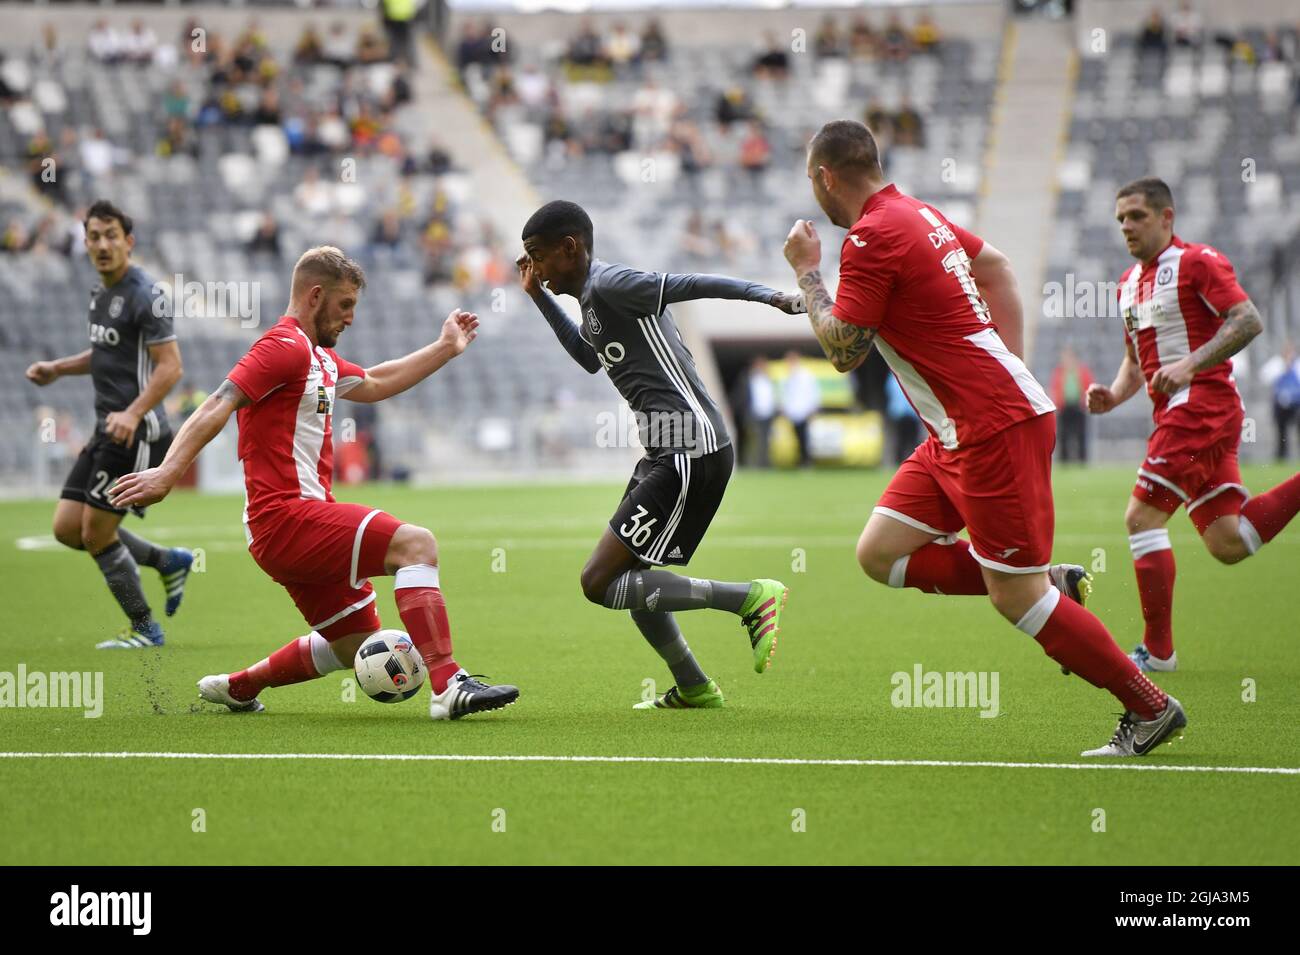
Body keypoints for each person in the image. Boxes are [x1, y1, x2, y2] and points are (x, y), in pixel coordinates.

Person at [783, 120, 1182, 757]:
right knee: (880, 553)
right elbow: (995, 268)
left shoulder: (869, 236)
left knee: (1015, 599)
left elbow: (842, 351)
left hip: (990, 430)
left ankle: (1149, 706)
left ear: (826, 177)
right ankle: (1050, 577)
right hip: (959, 432)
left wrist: (808, 273)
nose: (815, 194)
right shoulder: (919, 213)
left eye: (812, 181)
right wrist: (1011, 365)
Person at [108, 247, 519, 720]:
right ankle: (449, 686)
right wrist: (168, 472)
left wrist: (445, 347)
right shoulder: (283, 347)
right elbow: (219, 401)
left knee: (353, 647)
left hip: (283, 529)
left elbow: (377, 381)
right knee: (417, 546)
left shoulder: (317, 358)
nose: (350, 318)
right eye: (345, 305)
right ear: (315, 295)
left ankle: (240, 686)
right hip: (287, 517)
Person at [517, 201, 802, 709]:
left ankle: (749, 598)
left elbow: (691, 283)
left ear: (570, 248)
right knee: (629, 578)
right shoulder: (590, 298)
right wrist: (539, 296)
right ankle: (693, 685)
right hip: (666, 449)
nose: (534, 267)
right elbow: (588, 358)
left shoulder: (612, 284)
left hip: (690, 447)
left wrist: (771, 296)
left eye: (538, 257)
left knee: (598, 582)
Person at [1087, 177, 1300, 671]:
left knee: (1141, 518)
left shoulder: (1197, 262)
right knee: (1230, 541)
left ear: (1166, 218)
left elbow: (1247, 320)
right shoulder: (1126, 284)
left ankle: (1158, 653)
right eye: (1120, 219)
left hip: (1200, 407)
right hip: (1188, 414)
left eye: (1137, 216)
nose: (1127, 227)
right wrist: (1114, 395)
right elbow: (1136, 362)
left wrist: (1191, 365)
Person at [25, 200, 192, 649]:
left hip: (136, 433)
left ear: (128, 241)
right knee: (66, 528)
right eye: (94, 237)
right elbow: (105, 353)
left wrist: (134, 412)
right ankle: (168, 560)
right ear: (86, 243)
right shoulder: (101, 293)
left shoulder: (146, 293)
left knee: (95, 532)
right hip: (107, 429)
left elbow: (171, 367)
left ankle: (145, 628)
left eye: (111, 235)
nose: (102, 245)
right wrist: (58, 368)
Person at [1050, 346, 1093, 463]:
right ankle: (1064, 461)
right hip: (1064, 408)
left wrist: (1086, 401)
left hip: (1079, 407)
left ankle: (1082, 460)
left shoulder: (1082, 371)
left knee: (1081, 435)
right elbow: (1055, 388)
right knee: (1063, 436)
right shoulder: (1059, 372)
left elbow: (1089, 386)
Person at [780, 351, 820, 467]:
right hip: (793, 413)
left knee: (805, 438)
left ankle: (807, 461)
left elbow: (813, 392)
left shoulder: (806, 375)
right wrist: (785, 409)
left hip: (804, 411)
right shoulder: (787, 376)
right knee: (797, 438)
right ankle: (802, 460)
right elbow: (786, 395)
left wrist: (812, 408)